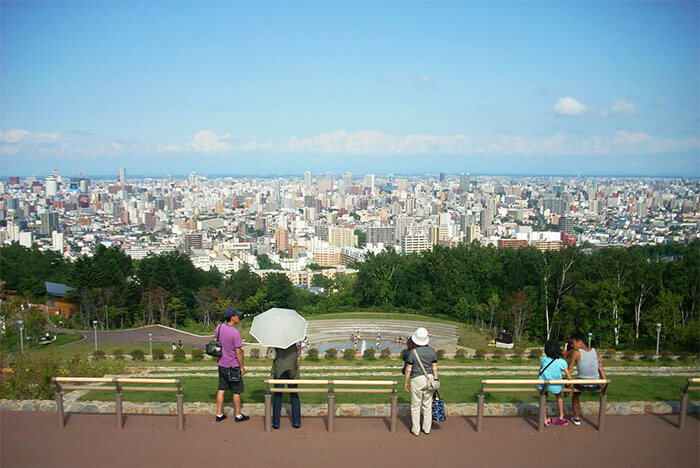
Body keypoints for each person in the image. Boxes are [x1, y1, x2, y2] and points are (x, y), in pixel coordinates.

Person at [215, 307, 249, 423]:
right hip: (233, 365)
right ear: (232, 317)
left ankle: (219, 414)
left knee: (221, 388)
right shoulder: (235, 333)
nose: (238, 317)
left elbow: (216, 341)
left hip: (221, 364)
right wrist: (242, 366)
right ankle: (238, 415)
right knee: (236, 391)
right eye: (237, 316)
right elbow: (238, 351)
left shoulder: (219, 328)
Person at [403, 327, 439, 436]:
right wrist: (435, 380)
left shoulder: (413, 352)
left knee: (415, 406)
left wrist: (406, 382)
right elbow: (435, 368)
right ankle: (427, 429)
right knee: (427, 405)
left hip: (417, 379)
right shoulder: (432, 351)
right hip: (430, 379)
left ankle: (416, 429)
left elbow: (408, 369)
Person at [567, 331, 607, 426]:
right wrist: (604, 381)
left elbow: (570, 369)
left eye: (573, 343)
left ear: (580, 342)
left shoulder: (576, 353)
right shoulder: (595, 351)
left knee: (576, 395)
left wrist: (567, 384)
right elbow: (600, 367)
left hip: (582, 383)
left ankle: (576, 418)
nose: (572, 346)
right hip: (595, 383)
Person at [538, 339, 572, 427]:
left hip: (544, 385)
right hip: (556, 386)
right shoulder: (561, 362)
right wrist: (567, 381)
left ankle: (545, 418)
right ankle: (561, 416)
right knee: (559, 396)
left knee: (543, 398)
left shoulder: (544, 359)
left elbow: (539, 372)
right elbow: (569, 376)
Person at [270, 343, 302, 429]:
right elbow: (298, 354)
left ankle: (276, 423)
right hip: (292, 370)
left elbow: (270, 354)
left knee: (278, 396)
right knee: (294, 395)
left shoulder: (276, 340)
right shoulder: (295, 339)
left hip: (279, 369)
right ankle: (297, 422)